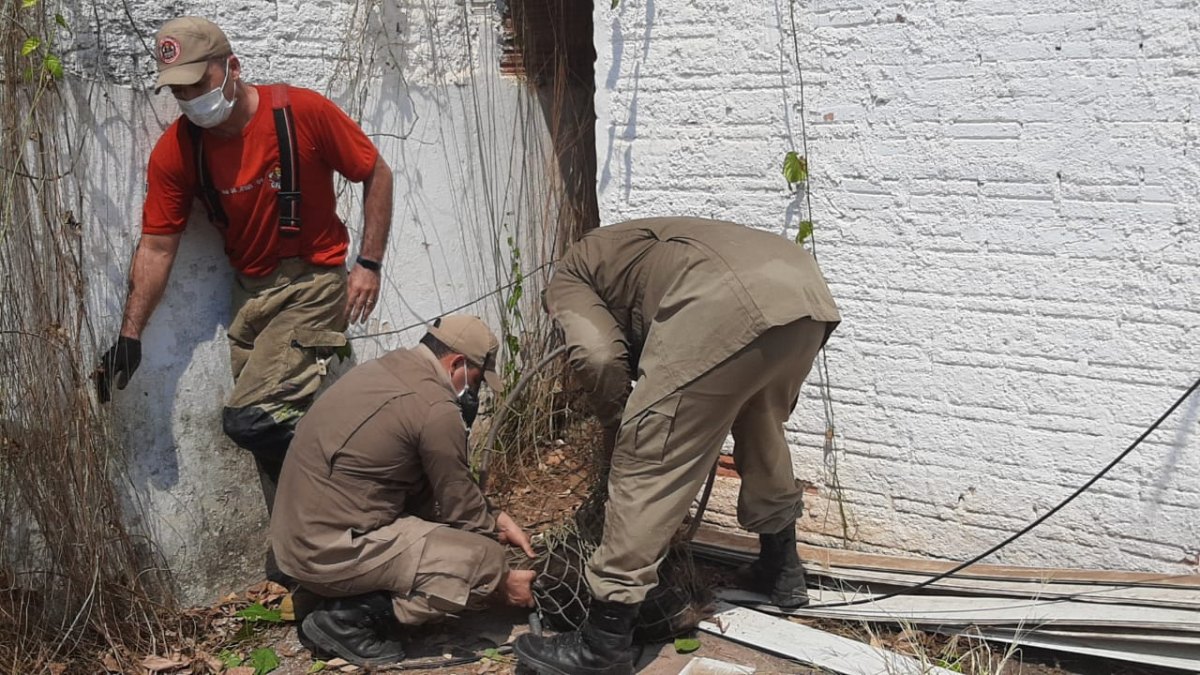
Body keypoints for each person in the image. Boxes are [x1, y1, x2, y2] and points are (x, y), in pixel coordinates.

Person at [514, 217, 841, 675]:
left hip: (726, 301)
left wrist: (620, 426)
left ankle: (602, 646)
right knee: (762, 429)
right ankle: (781, 571)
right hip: (804, 298)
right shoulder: (624, 247)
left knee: (649, 458)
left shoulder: (570, 276)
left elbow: (599, 356)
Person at [93, 16, 394, 512]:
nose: (190, 98)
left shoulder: (300, 111)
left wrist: (369, 262)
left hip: (313, 282)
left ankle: (355, 500)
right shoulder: (178, 150)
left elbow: (375, 171)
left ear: (232, 67)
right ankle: (303, 554)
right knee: (271, 431)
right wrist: (130, 334)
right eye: (179, 90)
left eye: (199, 82)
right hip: (249, 297)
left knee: (251, 417)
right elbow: (156, 248)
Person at [270, 314, 538, 666]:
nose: (476, 391)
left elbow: (440, 487)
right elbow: (461, 508)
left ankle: (330, 593)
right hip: (327, 552)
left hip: (295, 543)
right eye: (476, 379)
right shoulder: (436, 407)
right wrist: (502, 578)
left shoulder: (388, 367)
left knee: (435, 511)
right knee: (484, 560)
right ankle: (351, 618)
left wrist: (495, 516)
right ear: (457, 363)